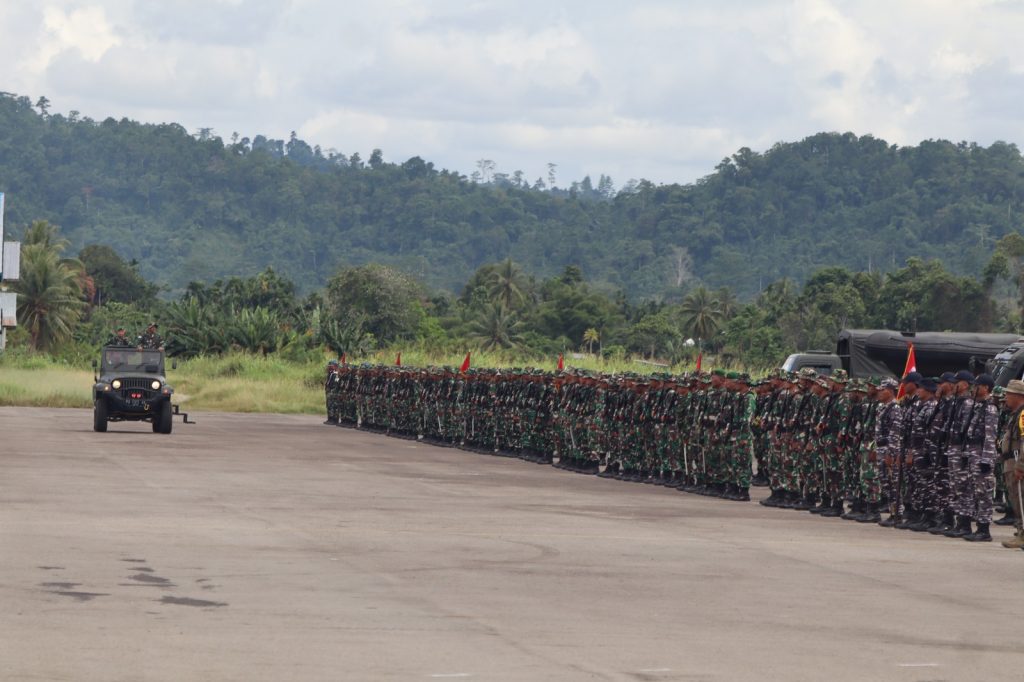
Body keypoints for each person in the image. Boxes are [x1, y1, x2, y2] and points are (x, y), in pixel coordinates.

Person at [999, 380, 1024, 549]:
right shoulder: (1015, 414)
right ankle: (1021, 531)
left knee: (1020, 499)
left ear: (1018, 396)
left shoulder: (1022, 415)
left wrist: (1021, 465)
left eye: (1009, 393)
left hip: (1017, 461)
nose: (1006, 397)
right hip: (1010, 461)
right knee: (1015, 499)